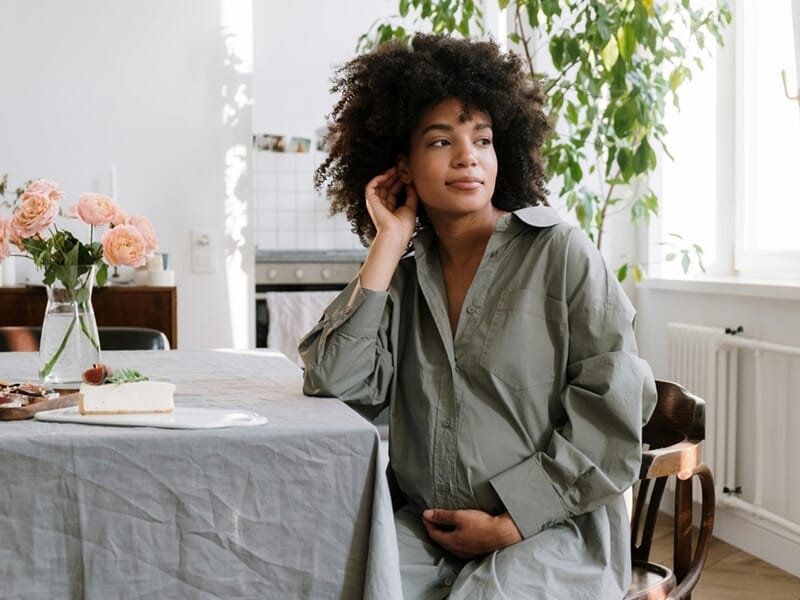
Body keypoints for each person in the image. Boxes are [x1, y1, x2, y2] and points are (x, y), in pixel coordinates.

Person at [299, 33, 657, 599]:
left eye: (483, 139)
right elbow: (334, 382)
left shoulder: (561, 254)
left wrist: (512, 521)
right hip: (427, 529)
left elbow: (612, 413)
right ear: (403, 167)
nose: (468, 156)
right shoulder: (404, 274)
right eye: (441, 140)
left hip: (552, 529)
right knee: (326, 583)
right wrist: (387, 244)